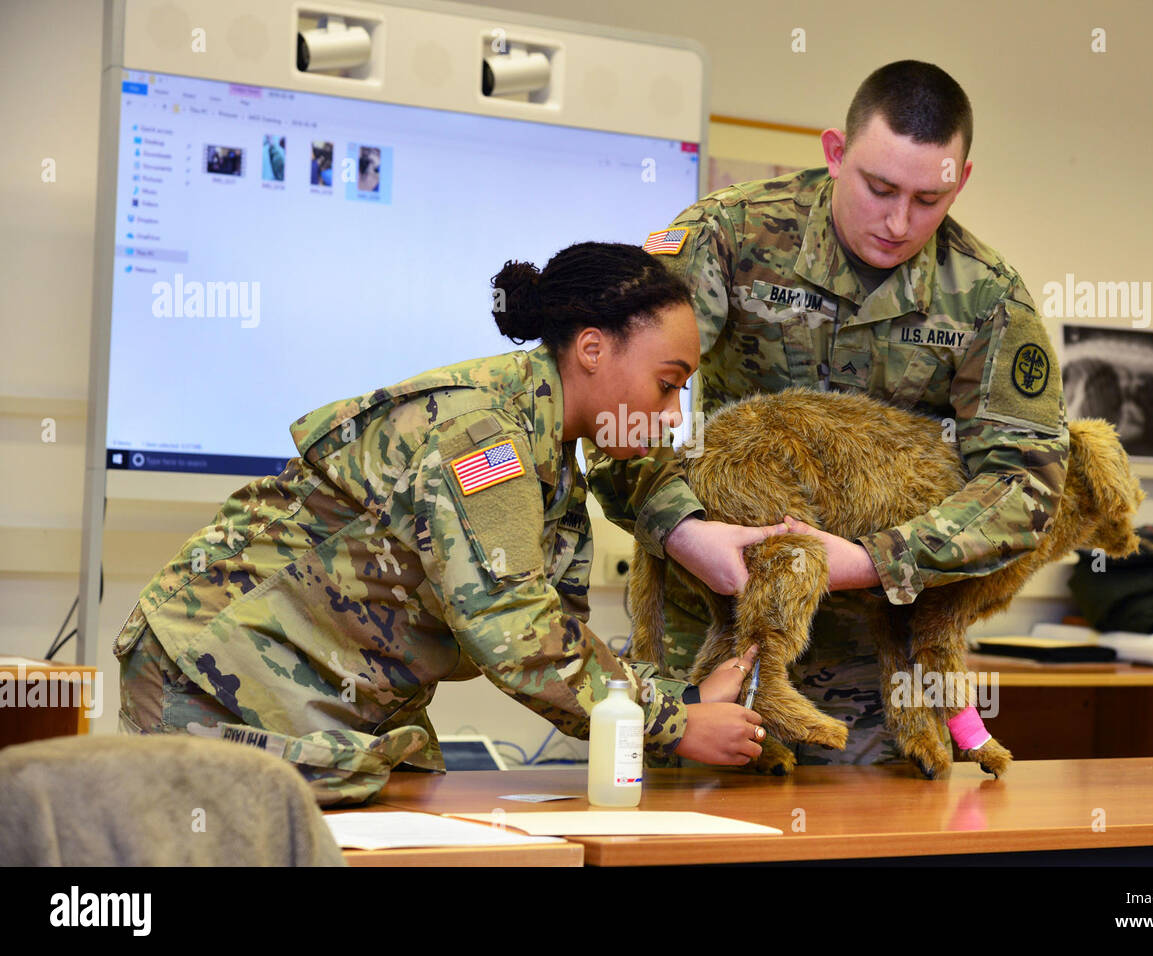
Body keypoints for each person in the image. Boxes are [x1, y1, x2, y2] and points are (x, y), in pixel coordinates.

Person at [114, 242, 782, 799]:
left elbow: (556, 631)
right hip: (215, 678)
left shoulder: (548, 448)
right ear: (591, 348)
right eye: (667, 383)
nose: (671, 415)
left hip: (323, 693)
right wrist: (675, 721)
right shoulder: (485, 435)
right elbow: (518, 637)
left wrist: (681, 700)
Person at [588, 60, 1069, 768]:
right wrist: (681, 529)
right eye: (879, 188)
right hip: (717, 648)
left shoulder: (986, 297)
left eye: (929, 198)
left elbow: (1026, 483)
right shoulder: (730, 236)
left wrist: (877, 560)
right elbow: (606, 405)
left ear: (961, 181)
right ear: (835, 152)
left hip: (871, 678)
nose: (900, 222)